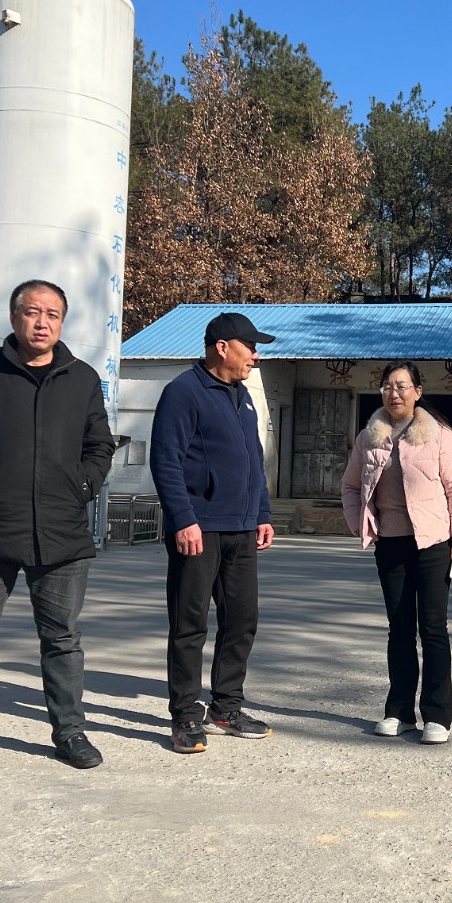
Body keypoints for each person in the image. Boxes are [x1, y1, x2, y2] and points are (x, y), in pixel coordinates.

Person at [0, 280, 116, 772]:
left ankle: (70, 732)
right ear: (14, 317)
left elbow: (99, 444)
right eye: (32, 312)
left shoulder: (81, 378)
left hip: (62, 531)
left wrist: (83, 486)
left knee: (63, 640)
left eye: (52, 314)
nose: (42, 322)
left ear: (62, 322)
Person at [149, 312, 276, 754]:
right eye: (249, 346)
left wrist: (262, 512)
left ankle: (226, 707)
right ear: (222, 347)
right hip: (199, 529)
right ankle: (185, 714)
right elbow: (165, 460)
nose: (255, 356)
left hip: (242, 529)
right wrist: (183, 519)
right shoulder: (183, 392)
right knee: (190, 625)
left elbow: (253, 460)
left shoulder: (243, 397)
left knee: (242, 620)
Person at [341, 360, 452, 744]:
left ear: (418, 392)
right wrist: (361, 523)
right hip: (391, 544)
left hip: (433, 543)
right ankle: (399, 711)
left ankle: (437, 716)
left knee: (432, 628)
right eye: (387, 386)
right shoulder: (369, 437)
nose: (394, 393)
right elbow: (350, 486)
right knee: (399, 628)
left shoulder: (440, 435)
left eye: (402, 386)